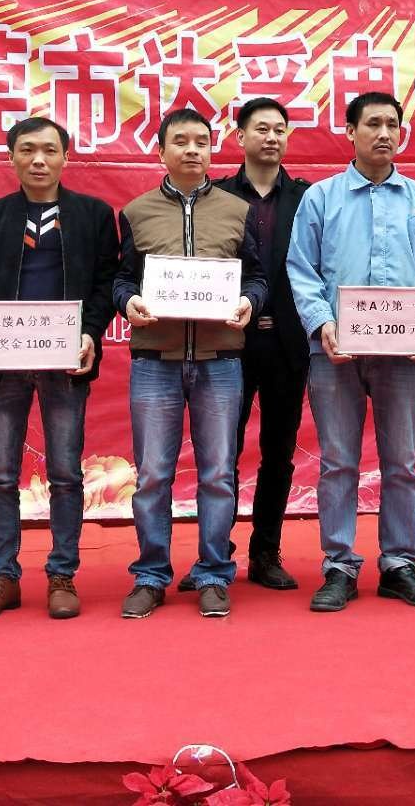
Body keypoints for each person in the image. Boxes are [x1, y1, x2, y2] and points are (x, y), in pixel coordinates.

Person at [287, 90, 415, 612]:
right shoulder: (321, 198)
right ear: (350, 131)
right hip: (335, 354)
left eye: (392, 125)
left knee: (402, 462)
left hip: (401, 357)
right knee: (338, 462)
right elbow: (301, 270)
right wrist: (323, 324)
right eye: (373, 124)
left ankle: (399, 564)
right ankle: (339, 566)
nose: (384, 134)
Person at [0, 117, 120, 621]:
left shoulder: (93, 215)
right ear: (10, 157)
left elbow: (105, 283)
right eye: (27, 150)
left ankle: (62, 574)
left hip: (64, 360)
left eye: (49, 150)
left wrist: (90, 331)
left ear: (66, 157)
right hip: (5, 361)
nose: (38, 160)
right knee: (0, 475)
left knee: (66, 474)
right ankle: (2, 577)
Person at [112, 109, 268, 619]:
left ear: (212, 150)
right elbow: (121, 279)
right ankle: (151, 574)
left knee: (218, 473)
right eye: (180, 141)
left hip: (220, 360)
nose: (192, 149)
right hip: (154, 361)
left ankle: (214, 572)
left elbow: (257, 278)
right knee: (153, 475)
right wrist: (128, 302)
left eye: (202, 141)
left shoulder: (236, 210)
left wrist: (249, 303)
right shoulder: (136, 212)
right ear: (161, 151)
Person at [207, 97, 311, 591]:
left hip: (288, 343)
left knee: (278, 453)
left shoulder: (308, 198)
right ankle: (215, 553)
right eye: (261, 129)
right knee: (221, 453)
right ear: (240, 137)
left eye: (279, 130)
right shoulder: (217, 195)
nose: (271, 137)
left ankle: (266, 552)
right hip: (229, 341)